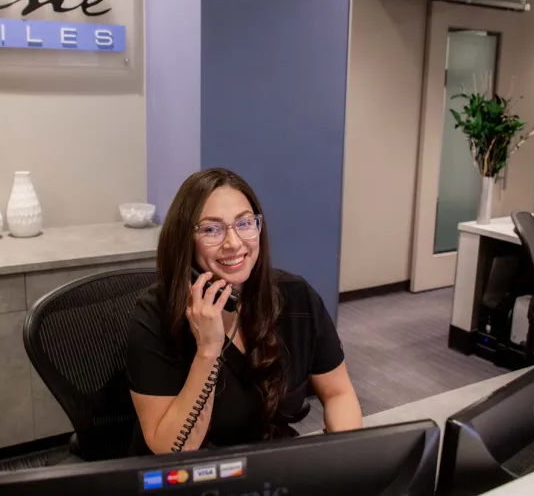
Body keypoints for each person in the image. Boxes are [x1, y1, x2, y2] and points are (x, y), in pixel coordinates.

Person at [126, 168, 362, 455]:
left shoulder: (296, 297)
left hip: (273, 468)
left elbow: (338, 392)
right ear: (184, 241)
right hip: (195, 476)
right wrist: (208, 350)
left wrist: (348, 458)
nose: (234, 243)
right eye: (211, 229)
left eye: (245, 223)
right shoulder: (154, 316)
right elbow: (173, 450)